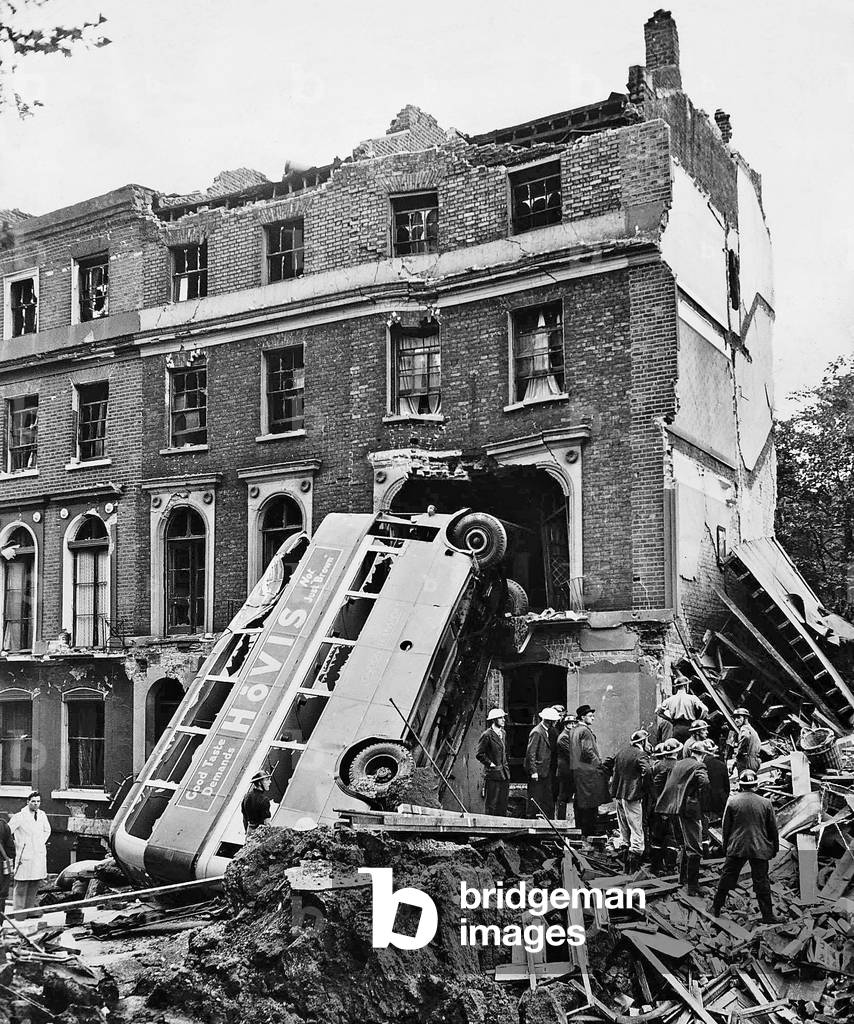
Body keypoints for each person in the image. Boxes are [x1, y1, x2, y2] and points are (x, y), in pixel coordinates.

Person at [712, 770, 782, 924]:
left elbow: (726, 828)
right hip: (760, 848)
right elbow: (773, 830)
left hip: (738, 847)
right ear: (755, 785)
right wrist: (775, 848)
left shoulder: (732, 802)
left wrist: (726, 847)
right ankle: (768, 915)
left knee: (727, 876)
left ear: (741, 785)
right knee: (762, 881)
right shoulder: (766, 803)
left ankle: (716, 907)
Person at [655, 742, 709, 895]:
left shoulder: (680, 763)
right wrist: (696, 795)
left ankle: (682, 879)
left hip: (674, 808)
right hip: (689, 810)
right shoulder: (699, 766)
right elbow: (704, 782)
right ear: (703, 755)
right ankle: (693, 887)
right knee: (695, 847)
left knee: (685, 845)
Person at [609, 729, 653, 872]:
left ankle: (624, 865)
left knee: (624, 829)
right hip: (633, 796)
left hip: (620, 795)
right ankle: (633, 867)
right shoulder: (641, 754)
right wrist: (644, 787)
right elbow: (647, 771)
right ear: (642, 742)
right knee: (636, 829)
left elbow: (607, 762)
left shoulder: (622, 752)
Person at [569, 705, 609, 837]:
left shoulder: (574, 730)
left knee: (581, 804)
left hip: (578, 771)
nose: (593, 718)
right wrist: (599, 765)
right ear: (582, 717)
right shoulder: (584, 731)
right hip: (588, 772)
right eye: (590, 716)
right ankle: (589, 834)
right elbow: (587, 751)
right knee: (590, 806)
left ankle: (581, 832)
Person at [9, 792, 50, 915]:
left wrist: (39, 843)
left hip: (38, 854)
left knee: (35, 882)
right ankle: (19, 911)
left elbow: (47, 830)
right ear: (28, 802)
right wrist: (17, 844)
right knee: (22, 883)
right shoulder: (19, 816)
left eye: (38, 801)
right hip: (24, 854)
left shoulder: (42, 815)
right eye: (33, 801)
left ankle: (30, 909)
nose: (36, 804)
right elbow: (7, 832)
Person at [648, 739, 682, 874]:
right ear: (677, 752)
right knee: (672, 838)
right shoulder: (679, 767)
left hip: (656, 807)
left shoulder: (657, 766)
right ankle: (670, 867)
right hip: (672, 808)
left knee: (656, 837)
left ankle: (655, 866)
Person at [525, 707, 560, 818]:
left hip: (545, 771)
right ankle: (531, 821)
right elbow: (531, 753)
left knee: (547, 799)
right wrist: (533, 771)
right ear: (548, 720)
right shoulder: (537, 732)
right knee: (535, 799)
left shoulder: (546, 731)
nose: (556, 722)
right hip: (538, 772)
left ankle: (547, 823)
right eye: (554, 720)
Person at [476, 708, 510, 816]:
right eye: (501, 718)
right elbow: (479, 754)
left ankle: (503, 826)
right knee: (492, 803)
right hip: (493, 774)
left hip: (504, 774)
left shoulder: (503, 733)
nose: (503, 720)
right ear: (494, 720)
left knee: (503, 802)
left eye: (503, 717)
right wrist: (491, 764)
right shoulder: (487, 735)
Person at [655, 673, 707, 743]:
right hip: (690, 727)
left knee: (678, 748)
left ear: (676, 687)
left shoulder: (670, 699)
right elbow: (705, 709)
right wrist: (698, 721)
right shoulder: (692, 698)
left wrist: (670, 720)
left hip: (676, 728)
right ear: (686, 685)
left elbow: (658, 711)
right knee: (689, 748)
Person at [555, 713, 577, 821]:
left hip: (571, 771)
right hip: (565, 772)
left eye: (574, 723)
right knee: (563, 797)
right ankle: (560, 821)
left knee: (569, 796)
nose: (573, 725)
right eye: (570, 724)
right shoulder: (563, 737)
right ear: (565, 725)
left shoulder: (571, 735)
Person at [242, 771, 272, 839]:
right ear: (259, 783)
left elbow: (245, 818)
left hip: (249, 834)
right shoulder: (264, 800)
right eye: (267, 780)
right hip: (260, 835)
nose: (270, 782)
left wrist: (247, 833)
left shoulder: (246, 797)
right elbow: (267, 823)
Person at [731, 708, 761, 773]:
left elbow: (746, 737)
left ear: (746, 718)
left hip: (746, 763)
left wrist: (738, 753)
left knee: (745, 781)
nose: (736, 720)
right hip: (754, 760)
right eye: (735, 718)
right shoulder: (751, 729)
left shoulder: (744, 729)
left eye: (739, 717)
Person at [0, 814, 15, 909]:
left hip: (4, 861)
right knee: (2, 892)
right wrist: (7, 858)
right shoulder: (2, 824)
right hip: (3, 862)